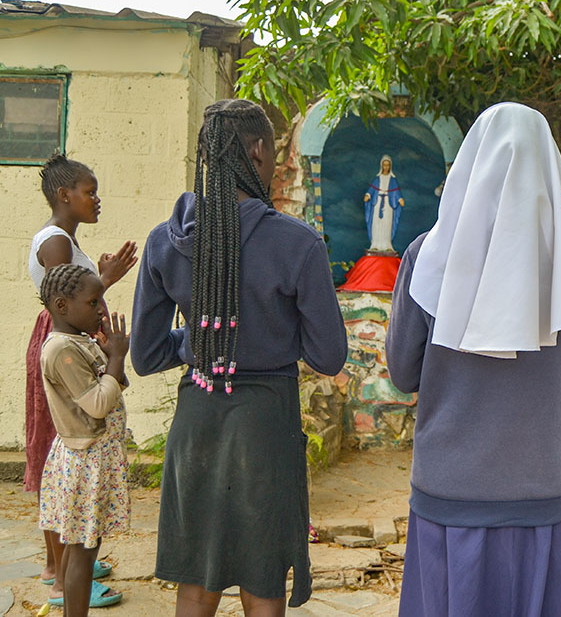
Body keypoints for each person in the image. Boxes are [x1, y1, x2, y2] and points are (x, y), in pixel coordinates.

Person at [385, 102, 561, 617]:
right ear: (551, 164)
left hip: (452, 492)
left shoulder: (427, 257)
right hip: (549, 490)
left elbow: (401, 372)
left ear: (470, 163)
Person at [130, 99, 348, 616]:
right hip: (265, 423)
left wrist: (204, 342)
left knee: (197, 578)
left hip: (197, 418)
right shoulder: (297, 243)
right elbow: (329, 353)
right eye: (272, 153)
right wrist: (269, 335)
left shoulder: (166, 241)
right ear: (255, 151)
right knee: (263, 576)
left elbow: (147, 354)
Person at [26, 155, 136, 602]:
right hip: (66, 354)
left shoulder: (67, 241)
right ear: (63, 195)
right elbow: (65, 302)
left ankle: (71, 557)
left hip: (79, 349)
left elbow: (75, 300)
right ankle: (62, 571)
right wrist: (104, 280)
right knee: (66, 442)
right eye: (89, 192)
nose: (96, 200)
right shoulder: (54, 242)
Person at [37, 264, 131, 613]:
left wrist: (110, 359)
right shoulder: (61, 350)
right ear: (62, 306)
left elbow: (113, 386)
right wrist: (117, 358)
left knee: (87, 546)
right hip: (85, 460)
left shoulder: (79, 342)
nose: (101, 309)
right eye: (93, 302)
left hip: (96, 456)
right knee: (82, 551)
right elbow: (98, 404)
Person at [363, 154, 404, 252]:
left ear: (390, 166)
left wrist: (399, 199)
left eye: (387, 165)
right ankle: (375, 244)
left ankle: (387, 245)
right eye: (384, 165)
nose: (386, 167)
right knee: (376, 224)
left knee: (387, 224)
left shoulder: (393, 180)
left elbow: (396, 192)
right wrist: (368, 195)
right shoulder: (377, 179)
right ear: (381, 166)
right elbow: (372, 190)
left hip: (388, 205)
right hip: (377, 204)